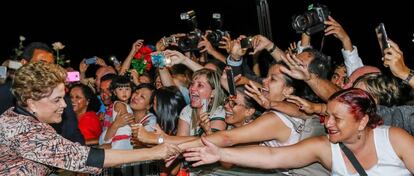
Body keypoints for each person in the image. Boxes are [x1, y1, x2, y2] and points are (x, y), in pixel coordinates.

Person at [0, 62, 180, 175]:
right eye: (57, 99)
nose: (64, 105)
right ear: (31, 103)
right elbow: (87, 158)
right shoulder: (26, 131)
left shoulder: (18, 117)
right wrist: (154, 152)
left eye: (64, 97)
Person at [184, 88, 414, 175]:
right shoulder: (326, 147)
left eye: (337, 118)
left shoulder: (394, 139)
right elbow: (273, 157)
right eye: (327, 116)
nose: (328, 123)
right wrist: (222, 154)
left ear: (362, 122)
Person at [0, 42, 85, 145]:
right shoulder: (4, 94)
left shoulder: (61, 99)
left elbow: (74, 135)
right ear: (24, 63)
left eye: (51, 65)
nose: (47, 69)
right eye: (42, 64)